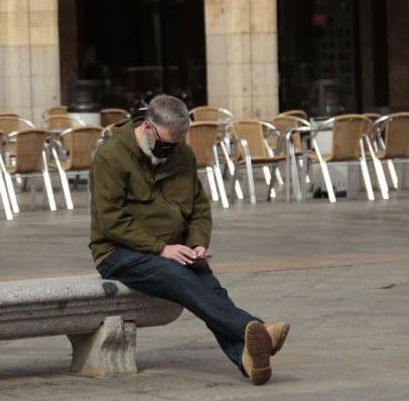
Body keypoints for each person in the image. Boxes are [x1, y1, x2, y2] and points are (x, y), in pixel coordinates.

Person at [89, 95, 289, 385]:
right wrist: (161, 249)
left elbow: (199, 207)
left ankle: (247, 357)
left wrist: (197, 242)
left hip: (173, 248)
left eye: (177, 144)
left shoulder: (182, 154)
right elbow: (112, 222)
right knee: (179, 277)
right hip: (118, 252)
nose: (171, 151)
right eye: (166, 144)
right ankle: (255, 328)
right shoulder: (111, 157)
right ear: (148, 127)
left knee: (209, 286)